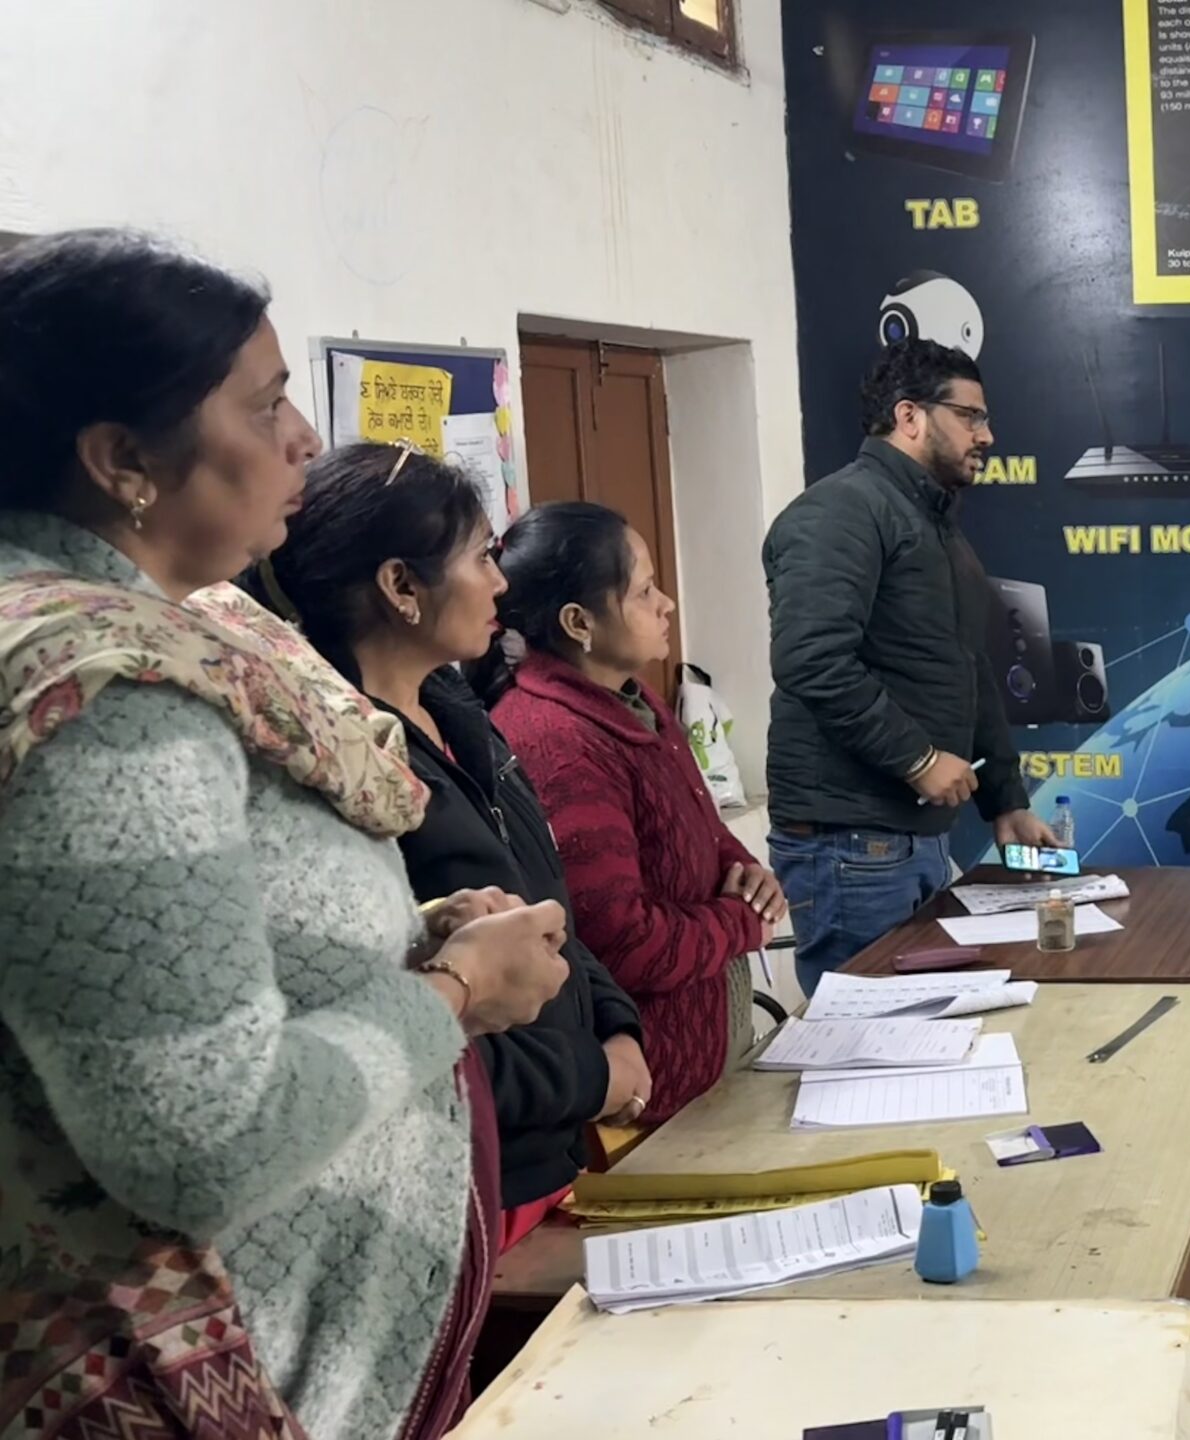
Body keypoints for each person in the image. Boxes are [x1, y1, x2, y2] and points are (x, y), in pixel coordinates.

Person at [0, 229, 567, 1438]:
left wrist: (408, 933)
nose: (304, 438)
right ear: (123, 460)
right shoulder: (109, 700)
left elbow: (155, 952)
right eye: (264, 406)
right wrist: (457, 991)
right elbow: (200, 1140)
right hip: (199, 1367)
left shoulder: (175, 633)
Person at [252, 442, 650, 1249]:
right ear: (401, 586)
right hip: (466, 1183)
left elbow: (547, 905)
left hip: (557, 1153)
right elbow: (409, 1017)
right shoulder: (342, 768)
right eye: (479, 558)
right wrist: (593, 1076)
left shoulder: (464, 716)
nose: (500, 583)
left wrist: (617, 1026)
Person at [763, 339, 1057, 998]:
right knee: (871, 1035)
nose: (987, 435)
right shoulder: (841, 511)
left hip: (910, 838)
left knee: (926, 1026)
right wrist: (918, 758)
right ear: (910, 416)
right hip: (850, 843)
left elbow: (969, 668)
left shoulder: (932, 523)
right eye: (970, 417)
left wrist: (1005, 800)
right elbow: (811, 658)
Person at [484, 501, 787, 1121]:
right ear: (578, 621)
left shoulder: (632, 697)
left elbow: (699, 826)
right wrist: (742, 923)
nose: (666, 604)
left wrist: (747, 870)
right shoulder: (556, 739)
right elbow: (622, 942)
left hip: (710, 1063)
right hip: (648, 1098)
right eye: (644, 591)